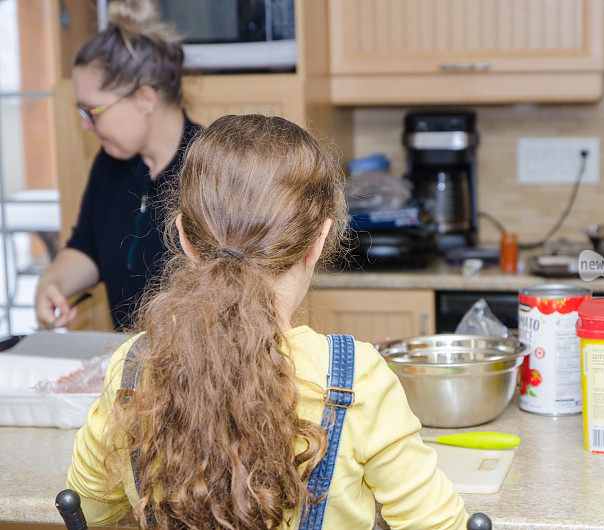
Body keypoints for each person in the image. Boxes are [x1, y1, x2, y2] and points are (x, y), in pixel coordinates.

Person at [66, 114, 468, 529]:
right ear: (320, 239)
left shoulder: (133, 368)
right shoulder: (355, 378)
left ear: (184, 236)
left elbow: (90, 507)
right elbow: (438, 524)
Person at [35, 0, 201, 331]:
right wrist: (52, 284)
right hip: (129, 369)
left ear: (144, 99)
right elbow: (87, 248)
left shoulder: (211, 168)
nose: (85, 125)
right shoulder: (110, 163)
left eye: (92, 111)